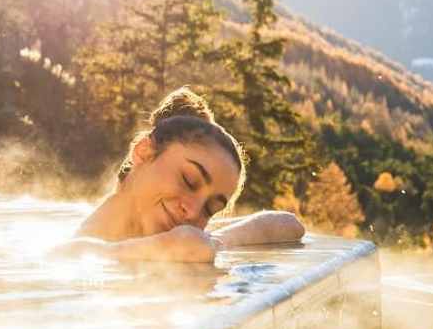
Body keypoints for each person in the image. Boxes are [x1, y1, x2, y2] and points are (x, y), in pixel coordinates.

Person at [57, 87, 305, 263]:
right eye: (189, 180)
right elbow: (190, 243)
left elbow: (287, 225)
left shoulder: (168, 240)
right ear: (143, 152)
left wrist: (211, 241)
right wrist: (191, 243)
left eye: (210, 209)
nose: (194, 212)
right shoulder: (77, 252)